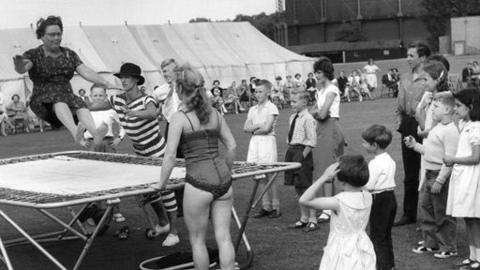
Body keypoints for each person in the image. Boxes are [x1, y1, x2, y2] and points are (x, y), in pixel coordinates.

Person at [154, 63, 236, 270]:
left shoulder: (179, 118)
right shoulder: (215, 114)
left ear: (179, 90)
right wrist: (229, 171)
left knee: (197, 241)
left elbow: (170, 156)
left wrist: (161, 184)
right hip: (223, 181)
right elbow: (232, 146)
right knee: (224, 237)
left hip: (198, 182)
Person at [12, 16, 118, 149]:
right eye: (52, 35)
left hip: (67, 98)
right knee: (59, 99)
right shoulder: (34, 54)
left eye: (59, 34)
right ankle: (76, 133)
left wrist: (105, 83)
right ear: (41, 36)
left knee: (80, 104)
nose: (56, 38)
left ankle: (95, 134)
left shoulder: (69, 54)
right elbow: (23, 68)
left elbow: (85, 71)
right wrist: (19, 65)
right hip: (43, 101)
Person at [110, 62, 179, 247]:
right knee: (149, 192)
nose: (123, 80)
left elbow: (151, 113)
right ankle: (163, 223)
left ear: (136, 80)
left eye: (127, 77)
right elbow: (98, 105)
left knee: (166, 191)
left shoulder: (147, 99)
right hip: (141, 154)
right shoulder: (116, 99)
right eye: (121, 77)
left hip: (158, 151)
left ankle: (174, 232)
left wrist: (131, 112)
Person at [405, 93, 459, 259]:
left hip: (438, 175)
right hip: (430, 173)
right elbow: (430, 152)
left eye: (436, 107)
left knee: (442, 212)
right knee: (427, 210)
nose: (432, 110)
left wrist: (440, 180)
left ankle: (448, 246)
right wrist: (415, 146)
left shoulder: (450, 131)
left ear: (447, 109)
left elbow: (449, 159)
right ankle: (431, 243)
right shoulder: (437, 127)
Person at [299, 156, 376, 270]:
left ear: (342, 182)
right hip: (362, 244)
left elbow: (304, 200)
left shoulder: (338, 202)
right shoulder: (368, 196)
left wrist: (324, 177)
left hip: (341, 249)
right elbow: (361, 185)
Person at [394, 41, 431, 226]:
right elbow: (399, 104)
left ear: (422, 57)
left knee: (429, 168)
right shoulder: (405, 77)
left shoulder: (429, 78)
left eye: (411, 55)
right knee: (410, 171)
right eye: (407, 55)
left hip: (425, 124)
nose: (407, 59)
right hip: (408, 124)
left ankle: (431, 215)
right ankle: (409, 214)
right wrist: (399, 120)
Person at [444, 88, 480, 268]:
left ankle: (479, 256)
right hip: (463, 176)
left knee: (474, 218)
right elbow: (455, 118)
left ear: (471, 107)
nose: (455, 109)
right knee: (468, 218)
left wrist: (453, 159)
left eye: (458, 106)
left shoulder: (476, 128)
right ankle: (473, 255)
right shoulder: (466, 125)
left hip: (471, 177)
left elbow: (476, 157)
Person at [309, 56, 345, 222]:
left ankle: (328, 209)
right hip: (321, 128)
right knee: (322, 167)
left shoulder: (331, 90)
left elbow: (322, 114)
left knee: (327, 169)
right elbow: (316, 111)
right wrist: (316, 112)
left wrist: (315, 113)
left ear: (326, 73)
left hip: (330, 127)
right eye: (315, 72)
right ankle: (328, 205)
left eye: (320, 72)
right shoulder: (321, 90)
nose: (317, 75)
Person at [244, 79, 281, 219]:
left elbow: (267, 129)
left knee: (270, 174)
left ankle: (276, 207)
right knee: (259, 175)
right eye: (256, 91)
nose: (257, 94)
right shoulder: (252, 109)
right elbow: (245, 128)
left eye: (261, 92)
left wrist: (254, 128)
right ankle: (265, 206)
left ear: (268, 92)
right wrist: (257, 127)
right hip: (255, 143)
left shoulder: (271, 107)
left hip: (267, 142)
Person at [361, 125, 397, 270]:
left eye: (365, 142)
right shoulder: (390, 159)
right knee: (385, 235)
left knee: (377, 237)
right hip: (390, 198)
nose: (362, 145)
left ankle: (382, 266)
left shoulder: (375, 163)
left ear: (374, 145)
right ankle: (389, 265)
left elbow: (369, 185)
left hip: (379, 200)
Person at [285, 92, 317, 231]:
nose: (292, 104)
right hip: (292, 151)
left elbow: (312, 140)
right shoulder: (293, 117)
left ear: (304, 102)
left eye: (295, 101)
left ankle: (313, 219)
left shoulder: (308, 118)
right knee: (297, 186)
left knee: (306, 186)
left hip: (302, 152)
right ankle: (303, 218)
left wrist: (302, 156)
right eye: (291, 101)